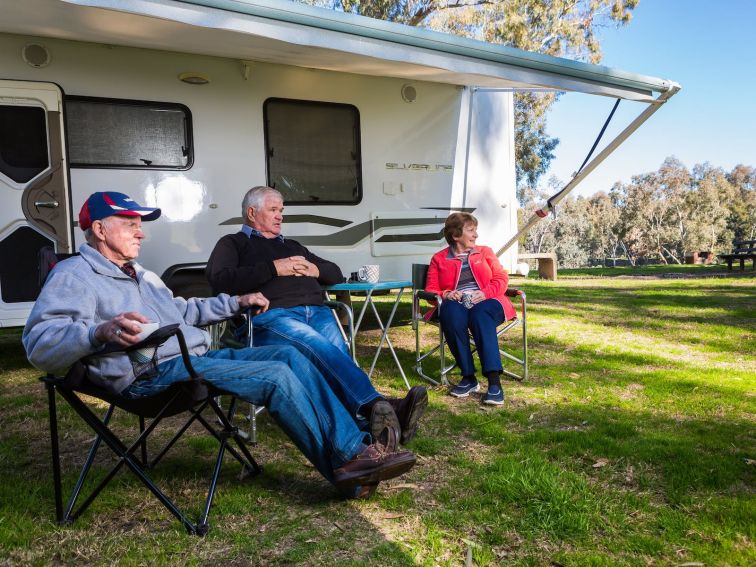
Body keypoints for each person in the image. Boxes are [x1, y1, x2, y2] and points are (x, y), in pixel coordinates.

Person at [23, 191, 416, 498]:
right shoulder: (75, 275)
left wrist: (236, 302)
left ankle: (357, 460)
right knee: (275, 373)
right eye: (130, 224)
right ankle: (354, 459)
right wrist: (99, 332)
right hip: (146, 374)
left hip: (190, 358)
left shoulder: (140, 274)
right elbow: (39, 344)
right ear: (100, 230)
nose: (141, 231)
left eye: (140, 224)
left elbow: (183, 310)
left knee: (289, 354)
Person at [206, 186, 427, 445]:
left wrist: (314, 268)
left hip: (318, 312)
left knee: (336, 354)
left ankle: (372, 425)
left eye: (282, 211)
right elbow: (219, 280)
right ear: (252, 213)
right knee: (322, 348)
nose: (280, 216)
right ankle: (379, 405)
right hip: (272, 317)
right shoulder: (234, 243)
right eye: (273, 210)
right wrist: (273, 268)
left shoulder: (292, 245)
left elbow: (335, 272)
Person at [425, 212, 517, 405]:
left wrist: (484, 293)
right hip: (458, 302)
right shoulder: (439, 259)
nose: (476, 235)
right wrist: (446, 294)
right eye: (471, 230)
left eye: (475, 230)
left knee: (480, 315)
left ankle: (494, 382)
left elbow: (501, 279)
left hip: (490, 301)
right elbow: (431, 290)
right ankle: (468, 377)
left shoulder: (485, 252)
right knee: (449, 313)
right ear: (456, 235)